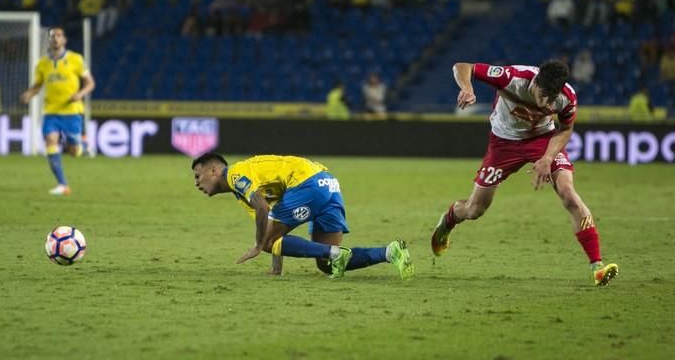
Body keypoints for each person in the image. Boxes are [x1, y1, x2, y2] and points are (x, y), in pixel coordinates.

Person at [431, 60, 619, 287]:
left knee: (569, 194)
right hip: (503, 144)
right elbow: (462, 66)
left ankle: (597, 266)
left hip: (542, 141)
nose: (548, 103)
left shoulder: (566, 97)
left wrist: (548, 157)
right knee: (474, 209)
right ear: (535, 82)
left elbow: (566, 129)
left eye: (552, 98)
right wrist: (467, 89)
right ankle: (449, 220)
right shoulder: (511, 77)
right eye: (544, 95)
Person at [191, 153, 414, 280]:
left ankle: (336, 253)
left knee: (268, 241)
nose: (197, 183)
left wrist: (259, 245)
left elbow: (263, 211)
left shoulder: (235, 174)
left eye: (198, 176)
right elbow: (271, 221)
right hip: (327, 183)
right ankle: (390, 252)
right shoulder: (246, 187)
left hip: (307, 183)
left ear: (214, 171)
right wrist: (276, 265)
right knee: (327, 265)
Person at [20, 28, 95, 195]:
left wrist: (80, 94)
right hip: (51, 111)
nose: (55, 39)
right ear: (48, 41)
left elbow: (90, 83)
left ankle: (82, 145)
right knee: (50, 141)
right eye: (52, 36)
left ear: (64, 40)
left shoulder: (76, 59)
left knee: (74, 151)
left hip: (71, 111)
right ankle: (62, 185)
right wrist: (28, 94)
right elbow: (37, 86)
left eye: (59, 36)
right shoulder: (42, 64)